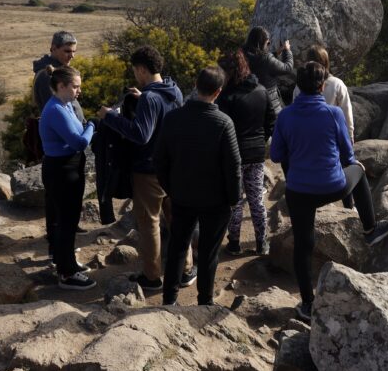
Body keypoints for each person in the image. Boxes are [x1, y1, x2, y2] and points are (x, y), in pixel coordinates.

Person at [271, 62, 388, 322]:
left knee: (303, 246)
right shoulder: (332, 114)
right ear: (322, 86)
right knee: (359, 170)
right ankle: (371, 230)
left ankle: (307, 304)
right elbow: (347, 155)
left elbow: (275, 154)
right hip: (332, 187)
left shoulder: (285, 116)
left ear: (298, 86)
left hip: (299, 191)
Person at [96, 45, 189, 293]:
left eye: (135, 71)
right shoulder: (173, 89)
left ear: (142, 70)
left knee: (149, 224)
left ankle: (152, 276)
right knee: (177, 219)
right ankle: (187, 269)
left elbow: (140, 134)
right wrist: (143, 98)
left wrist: (110, 117)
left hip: (149, 170)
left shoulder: (149, 98)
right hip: (174, 166)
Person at [155, 66, 241, 306]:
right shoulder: (223, 123)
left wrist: (170, 188)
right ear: (218, 92)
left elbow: (159, 159)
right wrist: (234, 198)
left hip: (182, 196)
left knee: (177, 247)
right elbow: (233, 166)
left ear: (195, 83)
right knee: (209, 252)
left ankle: (169, 300)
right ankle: (204, 301)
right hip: (216, 200)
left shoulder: (173, 118)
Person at [38, 65, 96, 290]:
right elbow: (79, 141)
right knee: (66, 219)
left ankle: (67, 262)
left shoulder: (66, 105)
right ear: (61, 86)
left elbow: (78, 133)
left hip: (69, 166)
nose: (79, 91)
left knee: (69, 219)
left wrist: (86, 128)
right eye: (75, 86)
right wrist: (92, 125)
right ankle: (67, 273)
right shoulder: (56, 110)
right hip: (61, 169)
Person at [30, 31, 87, 252]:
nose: (71, 56)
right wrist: (86, 127)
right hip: (60, 147)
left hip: (64, 145)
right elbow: (56, 110)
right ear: (53, 48)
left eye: (73, 52)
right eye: (66, 51)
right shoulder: (47, 76)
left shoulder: (56, 71)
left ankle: (61, 235)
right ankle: (57, 241)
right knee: (56, 197)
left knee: (59, 197)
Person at [216, 50, 275, 256]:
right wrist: (261, 138)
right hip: (257, 153)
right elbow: (271, 120)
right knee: (257, 200)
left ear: (231, 71)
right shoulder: (261, 90)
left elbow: (221, 129)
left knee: (236, 201)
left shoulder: (226, 97)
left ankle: (234, 242)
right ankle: (262, 242)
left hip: (235, 156)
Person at [291, 45, 354, 140]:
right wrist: (350, 137)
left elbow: (294, 114)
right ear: (325, 62)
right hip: (331, 139)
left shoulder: (299, 86)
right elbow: (347, 114)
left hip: (305, 138)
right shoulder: (337, 84)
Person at [243, 26, 295, 115]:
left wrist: (275, 53)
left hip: (248, 102)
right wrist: (287, 50)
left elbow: (260, 60)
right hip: (270, 102)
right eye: (268, 43)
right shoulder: (266, 59)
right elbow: (288, 68)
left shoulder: (242, 55)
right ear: (261, 43)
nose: (268, 45)